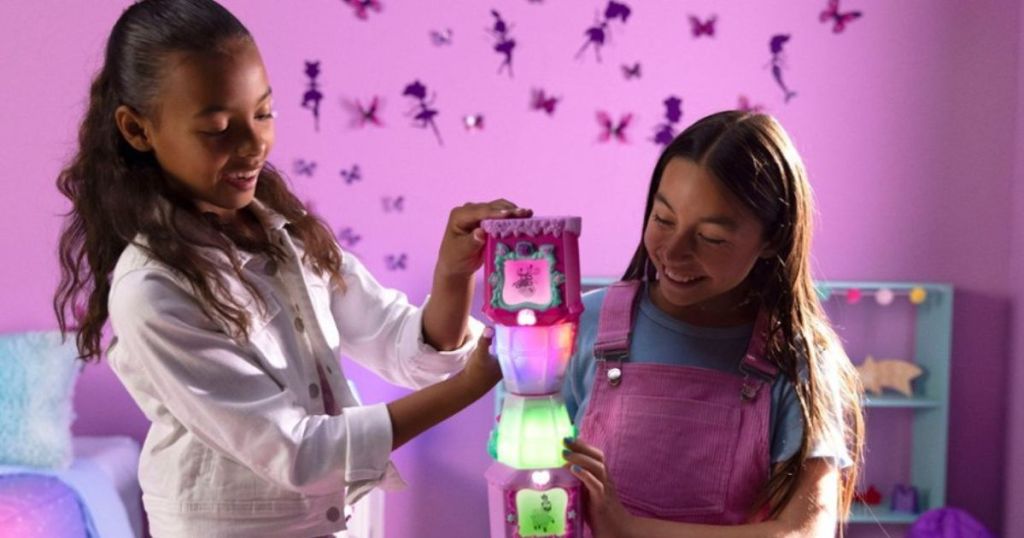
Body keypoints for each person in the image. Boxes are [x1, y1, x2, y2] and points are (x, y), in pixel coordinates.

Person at [52, 1, 527, 535]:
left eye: (263, 113)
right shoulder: (153, 291)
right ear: (138, 130)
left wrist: (453, 273)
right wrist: (468, 388)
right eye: (217, 128)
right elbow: (297, 453)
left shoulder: (284, 231)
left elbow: (402, 346)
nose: (255, 144)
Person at [561, 111, 864, 537]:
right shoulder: (582, 325)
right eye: (663, 219)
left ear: (772, 238)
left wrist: (628, 529)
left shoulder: (798, 360)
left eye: (712, 237)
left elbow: (805, 531)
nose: (674, 251)